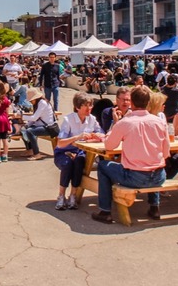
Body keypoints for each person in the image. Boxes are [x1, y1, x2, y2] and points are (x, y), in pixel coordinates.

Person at [92, 86, 170, 223]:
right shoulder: (159, 122)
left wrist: (116, 124)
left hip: (135, 177)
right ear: (148, 103)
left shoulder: (125, 122)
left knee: (103, 166)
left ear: (132, 103)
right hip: (159, 176)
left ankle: (105, 210)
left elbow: (109, 146)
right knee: (152, 162)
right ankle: (154, 207)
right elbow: (165, 153)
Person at [54, 92, 104, 210]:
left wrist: (95, 135)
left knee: (79, 163)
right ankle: (61, 195)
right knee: (67, 164)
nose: (89, 108)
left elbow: (102, 134)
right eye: (86, 105)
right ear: (77, 107)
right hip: (64, 152)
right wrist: (78, 137)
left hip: (80, 152)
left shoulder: (92, 119)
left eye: (90, 105)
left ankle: (73, 195)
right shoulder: (69, 119)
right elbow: (60, 142)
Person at [18, 88, 56, 161]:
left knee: (30, 131)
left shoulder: (42, 103)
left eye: (31, 100)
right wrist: (26, 125)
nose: (31, 102)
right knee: (23, 129)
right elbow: (35, 118)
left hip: (49, 128)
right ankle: (30, 149)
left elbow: (34, 118)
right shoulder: (38, 103)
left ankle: (37, 153)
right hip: (41, 125)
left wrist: (21, 116)